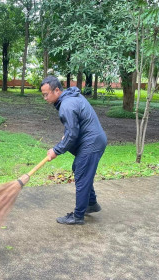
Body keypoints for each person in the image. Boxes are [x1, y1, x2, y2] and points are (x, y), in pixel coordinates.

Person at [41, 76, 107, 225]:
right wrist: (68, 135)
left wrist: (56, 150)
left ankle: (78, 216)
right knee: (80, 169)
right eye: (43, 95)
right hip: (94, 140)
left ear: (57, 90)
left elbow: (72, 134)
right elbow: (75, 127)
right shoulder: (71, 98)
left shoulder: (66, 105)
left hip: (91, 143)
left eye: (46, 94)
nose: (45, 98)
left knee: (82, 173)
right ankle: (91, 203)